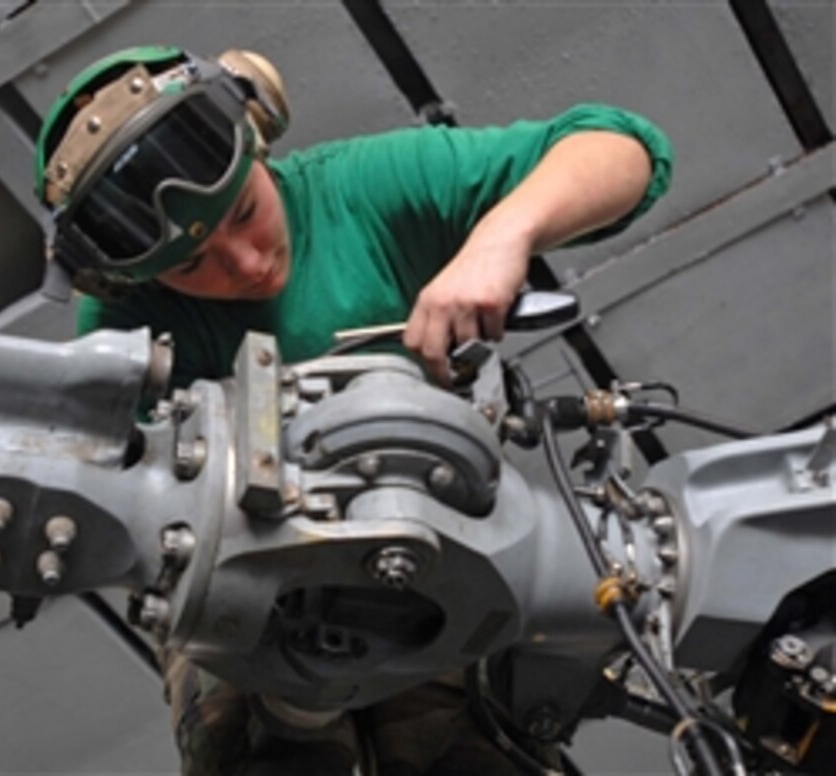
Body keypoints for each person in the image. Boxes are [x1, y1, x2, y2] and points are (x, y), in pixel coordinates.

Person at [35, 45, 673, 775]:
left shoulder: (365, 190)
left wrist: (501, 238)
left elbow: (625, 149)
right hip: (245, 597)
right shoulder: (123, 329)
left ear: (259, 139)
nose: (246, 264)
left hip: (437, 549)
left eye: (245, 211)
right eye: (191, 265)